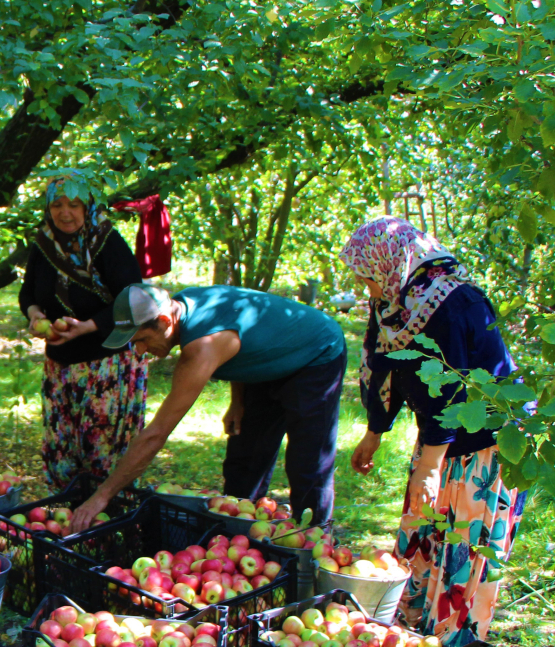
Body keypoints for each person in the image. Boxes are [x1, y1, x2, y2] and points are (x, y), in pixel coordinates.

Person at [343, 216, 525, 643]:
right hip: (438, 442)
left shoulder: (450, 302)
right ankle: (406, 639)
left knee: (460, 550)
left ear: (390, 265)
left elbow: (449, 390)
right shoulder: (396, 300)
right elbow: (384, 364)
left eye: (366, 277)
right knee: (421, 537)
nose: (365, 287)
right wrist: (376, 429)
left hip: (483, 444)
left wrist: (429, 466)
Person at [68, 283, 348, 532]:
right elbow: (244, 332)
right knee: (244, 462)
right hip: (270, 361)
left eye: (141, 339)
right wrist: (238, 401)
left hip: (316, 353)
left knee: (307, 465)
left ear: (165, 320)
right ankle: (241, 540)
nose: (139, 350)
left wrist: (102, 495)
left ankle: (314, 552)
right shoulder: (183, 305)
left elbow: (156, 434)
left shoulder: (201, 346)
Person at [19, 180, 150, 489]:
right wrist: (35, 313)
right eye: (56, 205)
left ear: (88, 207)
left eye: (73, 205)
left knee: (103, 458)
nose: (65, 213)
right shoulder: (44, 244)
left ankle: (109, 526)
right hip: (60, 369)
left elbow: (134, 299)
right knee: (62, 457)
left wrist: (87, 326)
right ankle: (68, 528)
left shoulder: (107, 243)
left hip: (106, 367)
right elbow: (28, 293)